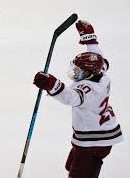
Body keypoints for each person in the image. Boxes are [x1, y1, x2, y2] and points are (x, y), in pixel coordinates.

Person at [33, 20, 123, 178]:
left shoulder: (88, 90)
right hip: (98, 134)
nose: (75, 73)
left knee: (80, 174)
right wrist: (91, 40)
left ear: (90, 73)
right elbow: (99, 57)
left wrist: (50, 83)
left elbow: (71, 98)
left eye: (80, 71)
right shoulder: (101, 74)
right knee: (72, 165)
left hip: (93, 141)